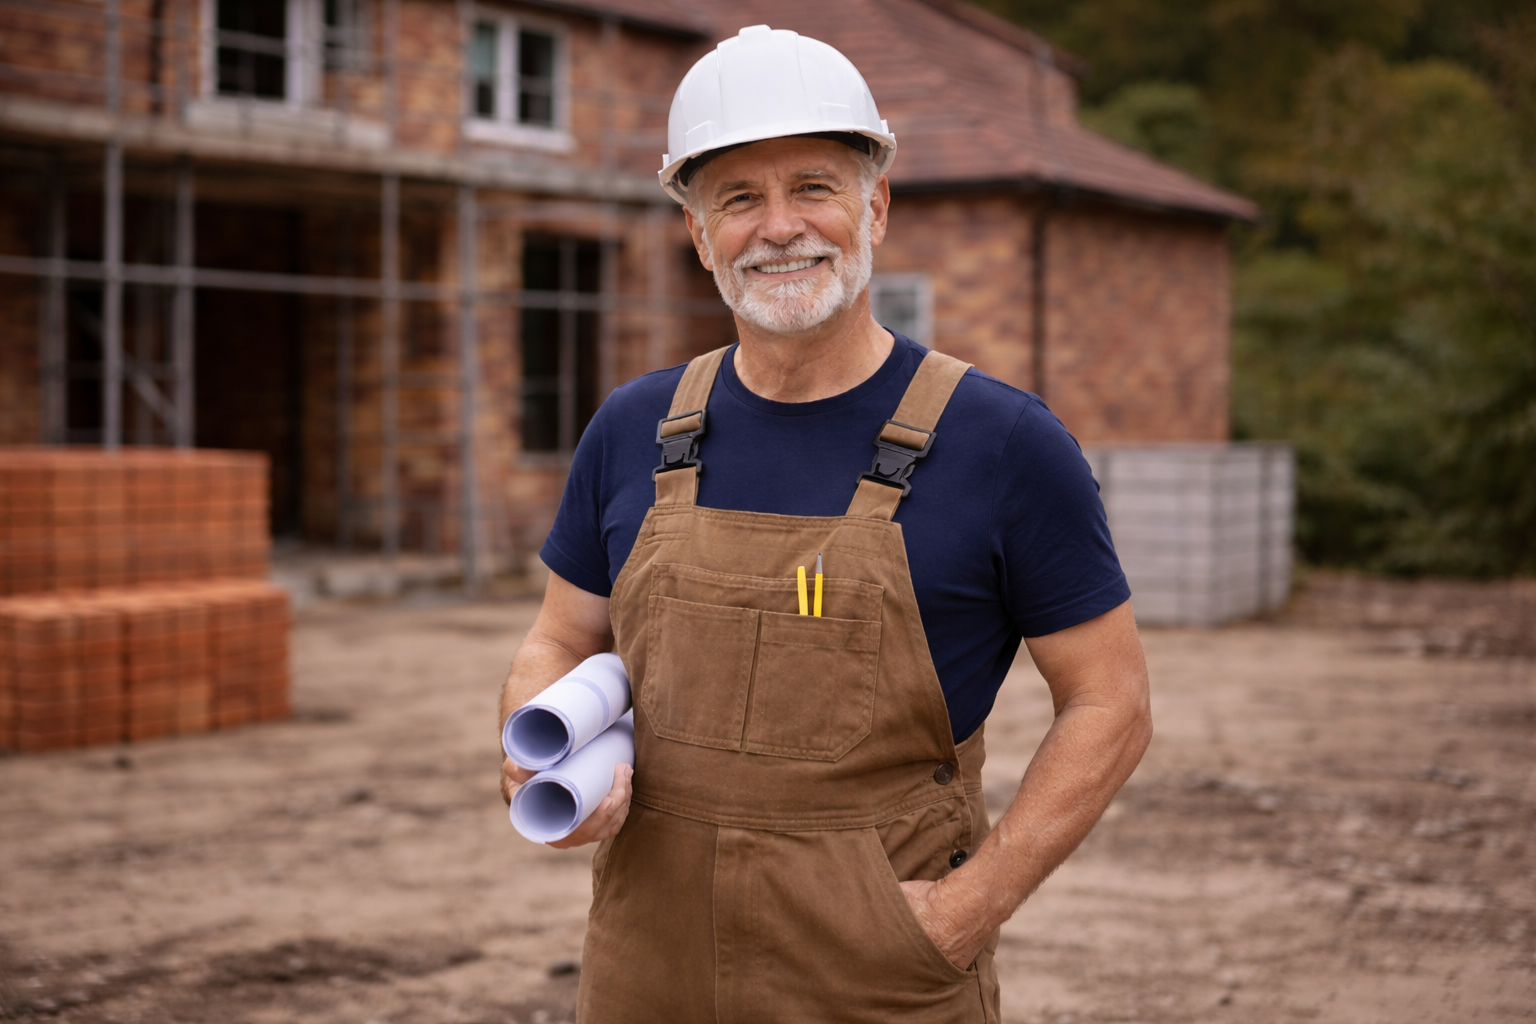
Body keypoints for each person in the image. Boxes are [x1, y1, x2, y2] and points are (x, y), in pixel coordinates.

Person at [499, 25, 1151, 1023]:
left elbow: (1112, 704)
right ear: (697, 232)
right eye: (738, 199)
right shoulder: (634, 427)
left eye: (814, 186)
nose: (778, 227)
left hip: (878, 973)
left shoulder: (1003, 442)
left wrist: (969, 909)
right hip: (646, 967)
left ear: (875, 206)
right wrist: (532, 752)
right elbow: (558, 635)